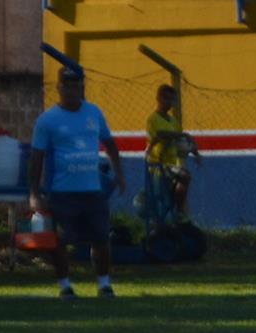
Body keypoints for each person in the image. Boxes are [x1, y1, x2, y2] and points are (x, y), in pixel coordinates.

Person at [28, 66, 125, 299]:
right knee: (60, 241)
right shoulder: (48, 120)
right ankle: (65, 286)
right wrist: (34, 192)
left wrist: (119, 173)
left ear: (82, 88)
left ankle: (104, 284)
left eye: (76, 86)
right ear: (59, 88)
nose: (71, 91)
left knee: (101, 238)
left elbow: (109, 143)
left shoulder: (94, 113)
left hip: (93, 190)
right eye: (66, 86)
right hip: (63, 192)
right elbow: (36, 156)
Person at [144, 84, 199, 218]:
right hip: (157, 164)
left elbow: (181, 140)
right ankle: (179, 211)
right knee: (184, 176)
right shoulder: (152, 119)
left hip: (171, 164)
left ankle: (177, 210)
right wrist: (180, 135)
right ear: (158, 98)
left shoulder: (173, 121)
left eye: (172, 100)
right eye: (166, 99)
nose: (169, 103)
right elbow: (160, 134)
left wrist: (194, 150)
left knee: (183, 177)